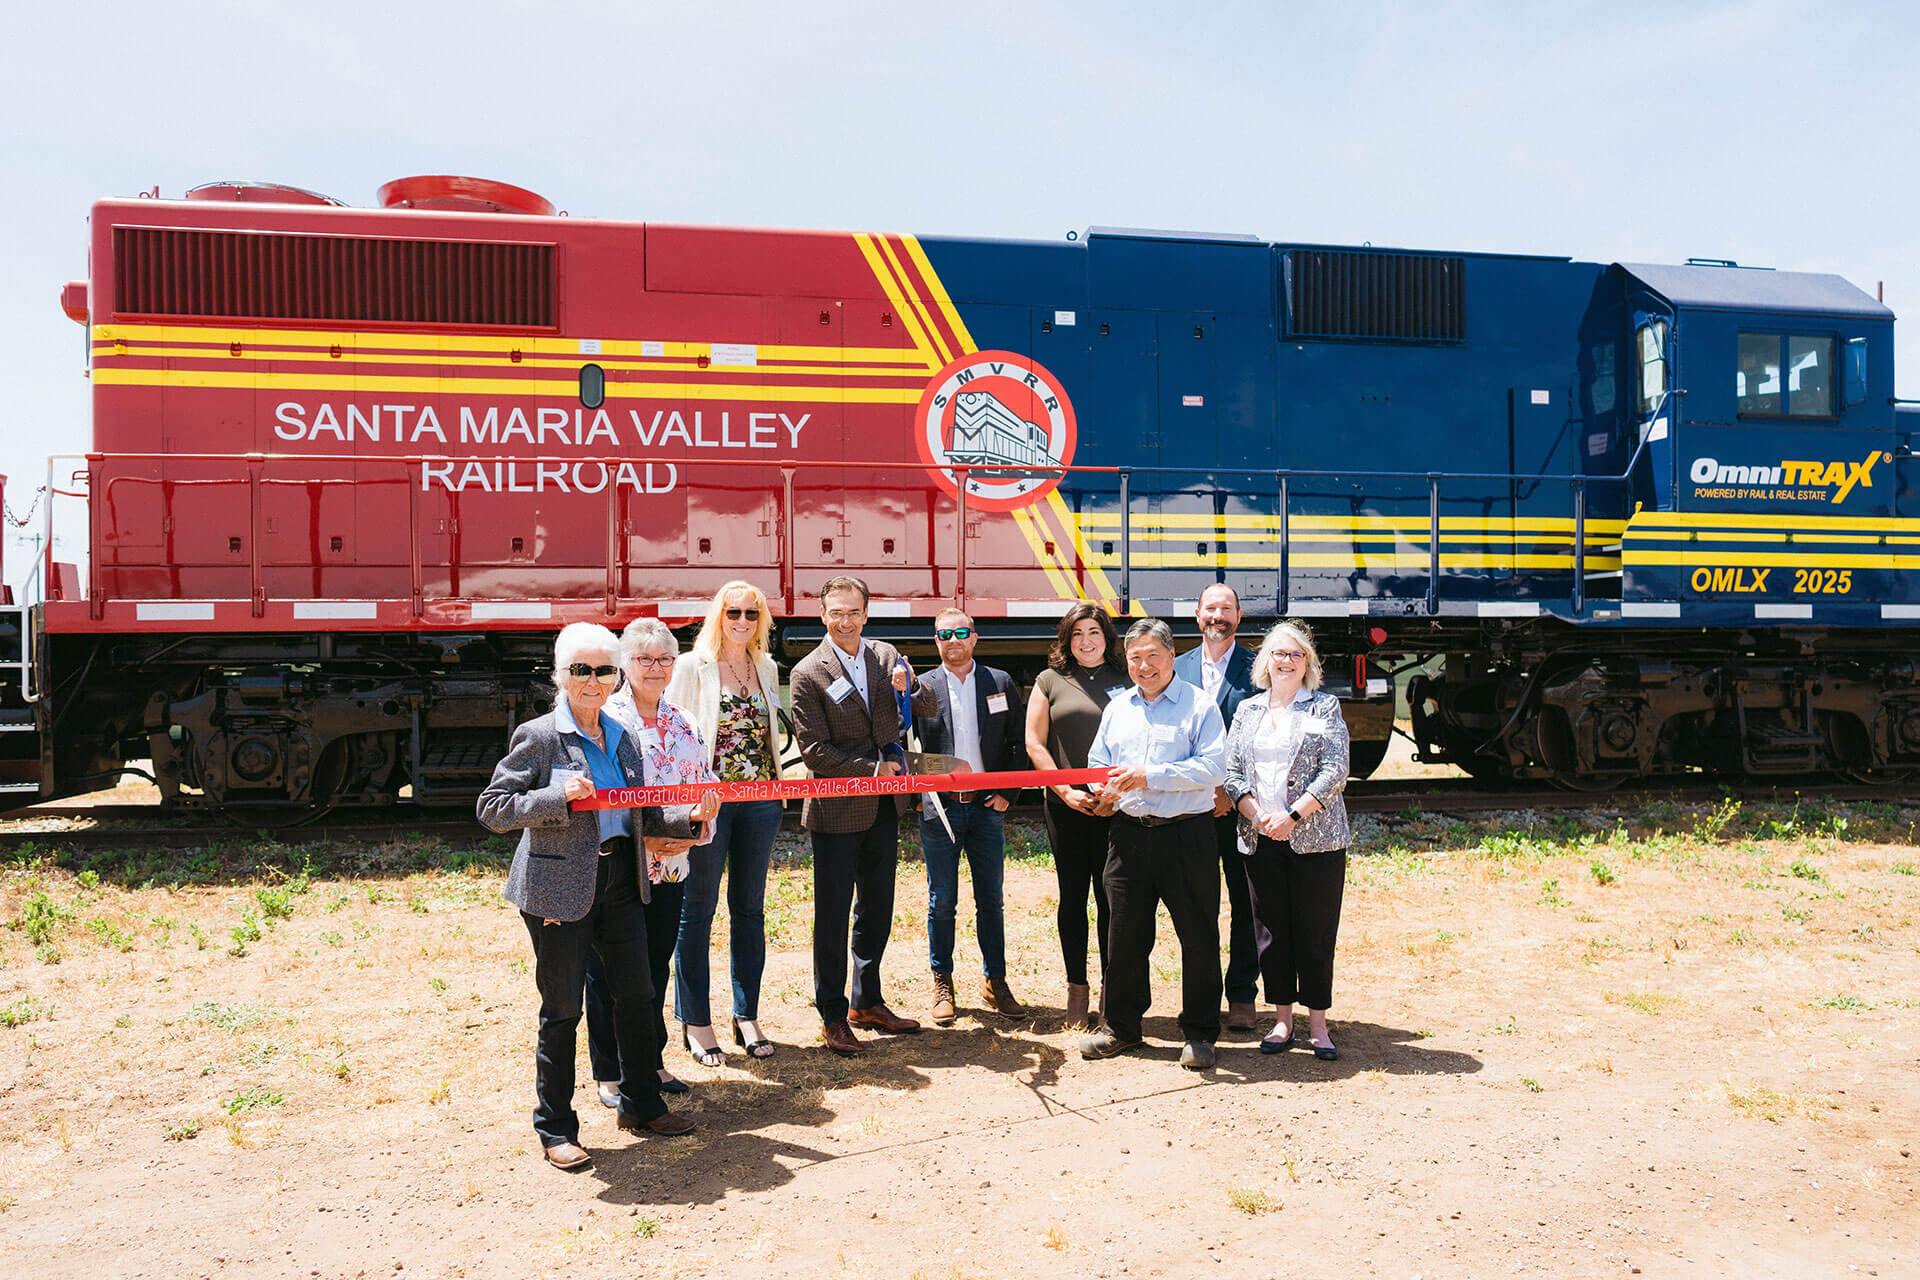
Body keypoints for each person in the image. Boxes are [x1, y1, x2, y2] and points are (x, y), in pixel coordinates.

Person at [476, 623, 701, 1170]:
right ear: (560, 675)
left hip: (622, 878)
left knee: (638, 995)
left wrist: (689, 817)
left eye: (603, 670)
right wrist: (555, 796)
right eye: (581, 670)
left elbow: (639, 811)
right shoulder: (539, 736)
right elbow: (493, 808)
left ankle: (640, 1104)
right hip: (558, 890)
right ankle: (555, 1128)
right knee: (562, 1010)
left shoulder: (622, 736)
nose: (593, 680)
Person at [788, 575, 938, 1054]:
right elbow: (814, 751)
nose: (845, 620)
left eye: (853, 612)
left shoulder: (887, 655)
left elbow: (927, 707)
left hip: (883, 809)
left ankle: (866, 999)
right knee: (831, 915)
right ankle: (832, 1014)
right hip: (836, 810)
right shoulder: (808, 672)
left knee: (877, 907)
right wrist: (876, 768)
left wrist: (911, 687)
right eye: (836, 612)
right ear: (823, 614)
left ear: (867, 613)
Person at [1080, 618, 1229, 1071]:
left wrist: (1149, 776)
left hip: (1187, 834)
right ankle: (1121, 1027)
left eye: (1153, 656)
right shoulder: (1117, 708)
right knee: (1123, 935)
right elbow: (1098, 761)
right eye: (1135, 658)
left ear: (1170, 656)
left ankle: (1201, 1033)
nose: (1144, 666)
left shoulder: (1200, 707)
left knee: (1198, 935)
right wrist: (1101, 789)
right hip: (1128, 836)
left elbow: (1213, 769)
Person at [587, 618, 719, 1099]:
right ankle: (609, 1072)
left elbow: (706, 785)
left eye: (664, 658)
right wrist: (645, 839)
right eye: (644, 658)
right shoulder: (605, 721)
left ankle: (651, 1061)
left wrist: (695, 829)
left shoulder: (683, 720)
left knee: (655, 966)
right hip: (622, 867)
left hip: (674, 864)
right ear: (625, 663)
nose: (656, 667)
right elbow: (605, 796)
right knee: (609, 973)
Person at [662, 581, 785, 1064]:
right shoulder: (693, 666)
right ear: (718, 615)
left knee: (749, 909)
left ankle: (746, 1013)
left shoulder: (768, 666)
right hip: (707, 803)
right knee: (697, 910)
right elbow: (670, 729)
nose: (741, 621)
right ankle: (696, 1021)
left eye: (751, 614)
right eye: (733, 612)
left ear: (761, 620)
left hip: (761, 802)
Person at [1223, 620, 1352, 1061]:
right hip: (1261, 838)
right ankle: (1282, 1019)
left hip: (1316, 839)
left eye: (1296, 654)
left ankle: (1318, 1024)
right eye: (1278, 653)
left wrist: (1293, 816)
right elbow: (1233, 774)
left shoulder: (1325, 707)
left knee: (1315, 932)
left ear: (1308, 664)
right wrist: (1259, 815)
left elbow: (1335, 771)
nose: (1286, 661)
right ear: (1265, 661)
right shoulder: (1247, 711)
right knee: (1270, 933)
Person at [910, 607, 1027, 1025]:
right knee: (942, 902)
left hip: (984, 808)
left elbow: (1018, 742)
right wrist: (920, 797)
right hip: (940, 809)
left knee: (990, 900)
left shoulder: (999, 682)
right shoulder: (921, 687)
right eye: (944, 634)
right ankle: (943, 983)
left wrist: (1008, 793)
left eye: (961, 632)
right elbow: (909, 749)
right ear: (936, 641)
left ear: (974, 637)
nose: (953, 640)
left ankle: (995, 981)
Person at [1024, 603, 1128, 1030]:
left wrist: (1114, 795)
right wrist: (1063, 790)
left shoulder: (1126, 679)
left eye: (1095, 632)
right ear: (1067, 639)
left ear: (1107, 637)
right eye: (1077, 633)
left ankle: (1110, 993)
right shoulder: (1050, 680)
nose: (1086, 641)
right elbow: (1034, 742)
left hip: (1114, 806)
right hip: (1065, 806)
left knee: (1111, 900)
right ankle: (1076, 991)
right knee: (1073, 898)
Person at [1173, 583, 1261, 1032]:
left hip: (1239, 807)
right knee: (1197, 904)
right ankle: (1201, 995)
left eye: (1226, 609)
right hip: (1190, 807)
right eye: (1211, 608)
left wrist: (1228, 791)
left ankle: (1243, 993)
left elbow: (1258, 737)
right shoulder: (1177, 666)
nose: (1218, 616)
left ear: (1239, 616)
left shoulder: (1257, 668)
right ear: (1197, 613)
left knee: (1245, 901)